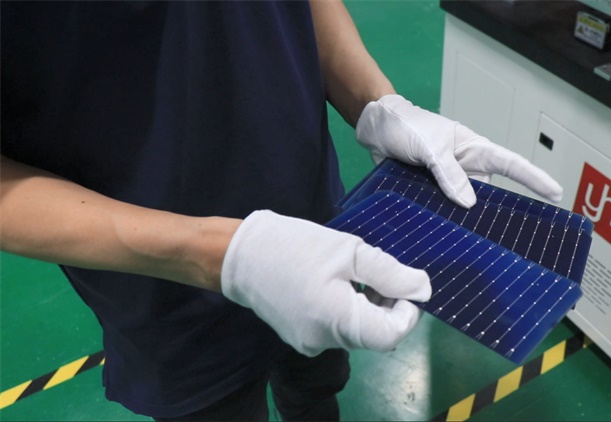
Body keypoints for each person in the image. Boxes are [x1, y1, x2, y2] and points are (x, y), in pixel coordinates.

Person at [0, 1, 563, 420]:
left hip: (321, 228)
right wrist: (222, 256)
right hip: (165, 286)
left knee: (317, 385)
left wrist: (375, 101)